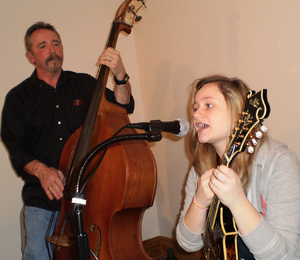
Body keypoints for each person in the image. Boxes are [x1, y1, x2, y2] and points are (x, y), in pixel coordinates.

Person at [1, 21, 134, 260]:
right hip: (43, 198)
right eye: (43, 46)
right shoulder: (17, 98)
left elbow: (123, 107)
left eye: (56, 43)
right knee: (37, 254)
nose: (52, 50)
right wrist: (42, 171)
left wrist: (120, 76)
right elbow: (16, 147)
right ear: (30, 56)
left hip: (90, 193)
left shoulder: (84, 84)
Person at [176, 75, 300, 259]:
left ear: (238, 112)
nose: (195, 115)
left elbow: (286, 256)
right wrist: (200, 201)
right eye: (195, 108)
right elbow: (188, 244)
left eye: (208, 105)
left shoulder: (279, 162)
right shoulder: (200, 168)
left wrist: (238, 203)